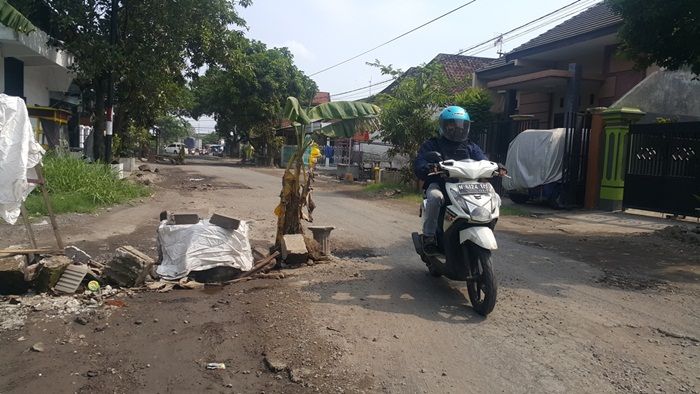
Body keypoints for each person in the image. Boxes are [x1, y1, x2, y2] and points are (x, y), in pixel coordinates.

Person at [413, 105, 488, 255]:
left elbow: (483, 160)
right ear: (443, 126)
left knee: (491, 197)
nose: (457, 129)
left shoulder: (470, 146)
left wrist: (495, 167)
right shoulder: (432, 144)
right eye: (452, 125)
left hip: (465, 187)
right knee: (434, 198)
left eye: (461, 125)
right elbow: (420, 163)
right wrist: (427, 167)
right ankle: (429, 237)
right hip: (440, 184)